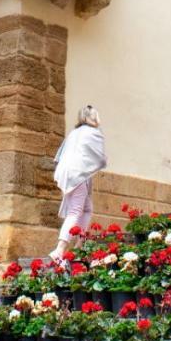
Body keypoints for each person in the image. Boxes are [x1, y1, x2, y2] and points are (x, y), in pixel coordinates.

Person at [50, 105, 106, 261]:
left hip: (66, 174)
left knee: (87, 209)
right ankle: (60, 249)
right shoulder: (93, 132)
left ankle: (79, 245)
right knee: (75, 211)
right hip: (78, 175)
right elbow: (99, 158)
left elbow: (58, 158)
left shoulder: (73, 133)